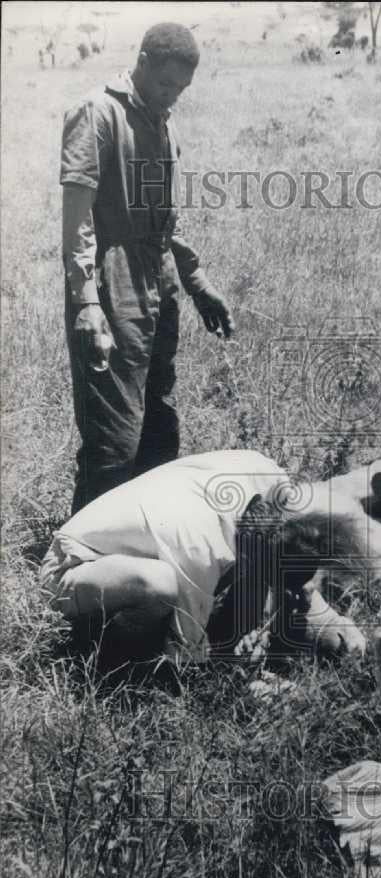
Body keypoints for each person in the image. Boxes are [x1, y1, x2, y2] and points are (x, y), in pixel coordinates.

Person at [61, 22, 233, 514]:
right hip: (112, 279)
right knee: (114, 433)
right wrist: (88, 301)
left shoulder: (163, 120)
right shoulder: (97, 113)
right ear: (141, 61)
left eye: (181, 90)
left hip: (158, 277)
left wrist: (195, 281)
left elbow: (164, 218)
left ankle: (144, 536)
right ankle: (82, 558)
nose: (173, 97)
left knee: (158, 421)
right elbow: (77, 222)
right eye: (165, 85)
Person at [39, 450, 368, 666]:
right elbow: (184, 662)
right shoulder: (201, 553)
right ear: (251, 555)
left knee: (259, 617)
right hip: (72, 566)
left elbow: (284, 559)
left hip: (141, 544)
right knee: (160, 585)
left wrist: (312, 613)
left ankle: (232, 630)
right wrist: (240, 676)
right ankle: (108, 654)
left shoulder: (270, 478)